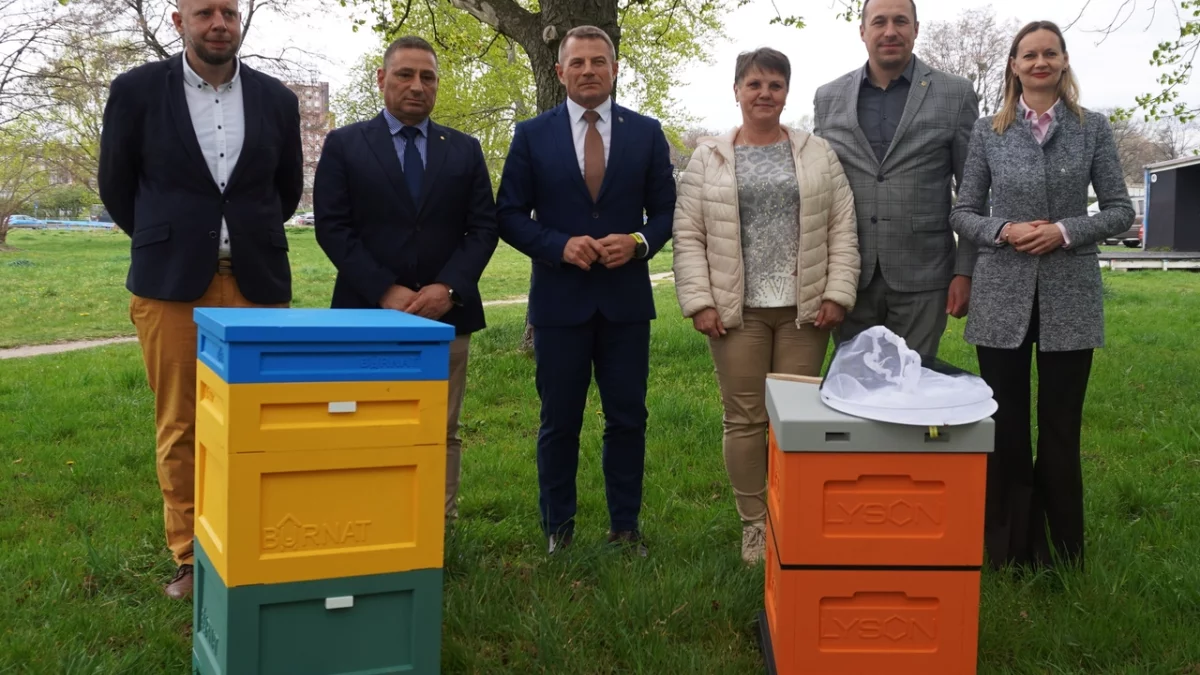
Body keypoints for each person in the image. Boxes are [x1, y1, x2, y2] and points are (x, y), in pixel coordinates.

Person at [97, 0, 303, 599]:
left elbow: (286, 189)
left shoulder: (277, 100)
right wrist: (169, 238)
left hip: (257, 281)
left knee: (263, 423)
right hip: (170, 287)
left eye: (229, 13)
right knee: (181, 424)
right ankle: (192, 555)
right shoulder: (136, 91)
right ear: (178, 21)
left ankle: (260, 541)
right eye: (205, 12)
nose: (219, 23)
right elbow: (117, 185)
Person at [950, 21, 1133, 571]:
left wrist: (1065, 231)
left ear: (1064, 60)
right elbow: (963, 212)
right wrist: (1004, 230)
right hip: (1001, 296)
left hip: (1069, 296)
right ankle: (1008, 549)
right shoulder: (988, 131)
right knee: (1005, 424)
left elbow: (1120, 210)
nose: (1039, 62)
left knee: (1059, 425)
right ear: (1014, 65)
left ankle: (1060, 552)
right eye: (1029, 55)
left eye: (1049, 53)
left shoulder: (1092, 128)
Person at [672, 48, 860, 564]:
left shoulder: (818, 153)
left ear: (786, 93)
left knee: (795, 419)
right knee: (746, 418)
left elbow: (842, 226)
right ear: (736, 90)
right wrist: (700, 301)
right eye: (754, 84)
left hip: (805, 310)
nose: (764, 94)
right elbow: (688, 235)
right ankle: (755, 524)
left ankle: (791, 514)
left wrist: (837, 293)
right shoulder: (708, 157)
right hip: (737, 312)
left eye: (775, 85)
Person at [496, 25, 676, 557]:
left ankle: (625, 527)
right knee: (559, 422)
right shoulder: (532, 135)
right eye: (577, 63)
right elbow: (508, 214)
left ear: (615, 69)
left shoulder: (646, 133)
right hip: (559, 302)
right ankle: (559, 528)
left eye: (599, 61)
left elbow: (666, 212)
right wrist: (557, 245)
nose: (589, 70)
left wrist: (639, 243)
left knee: (628, 418)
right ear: (560, 72)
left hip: (625, 303)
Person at [313, 36, 499, 526]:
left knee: (440, 427)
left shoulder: (464, 149)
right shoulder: (345, 145)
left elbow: (484, 228)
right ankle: (367, 523)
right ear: (382, 79)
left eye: (427, 77)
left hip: (447, 316)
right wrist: (384, 290)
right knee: (365, 423)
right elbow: (333, 227)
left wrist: (449, 288)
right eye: (405, 74)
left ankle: (435, 526)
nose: (417, 86)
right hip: (366, 313)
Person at [813, 0, 979, 359]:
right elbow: (817, 190)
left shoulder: (956, 94)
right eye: (879, 22)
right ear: (863, 31)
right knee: (854, 384)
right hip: (848, 276)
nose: (890, 31)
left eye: (901, 21)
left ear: (915, 29)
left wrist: (965, 271)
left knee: (914, 383)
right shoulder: (828, 98)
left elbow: (972, 191)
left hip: (925, 275)